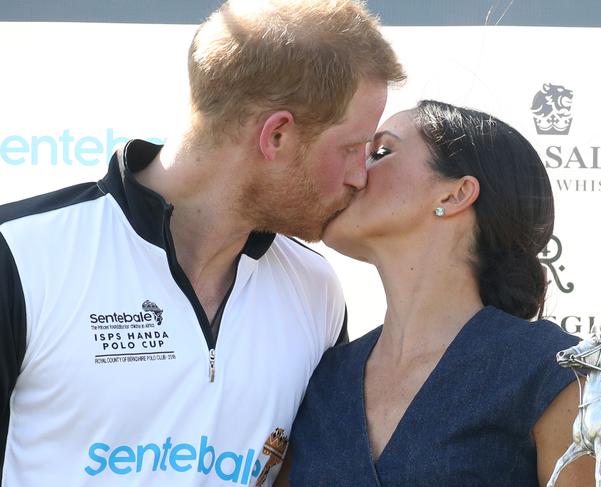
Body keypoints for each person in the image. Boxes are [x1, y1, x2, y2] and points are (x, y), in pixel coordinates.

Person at [0, 1, 405, 485]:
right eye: (350, 149)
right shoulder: (21, 255)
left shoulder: (316, 288)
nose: (361, 176)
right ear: (275, 135)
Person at [286, 100, 601, 486]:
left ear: (455, 195)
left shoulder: (560, 374)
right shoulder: (323, 380)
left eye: (381, 152)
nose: (354, 171)